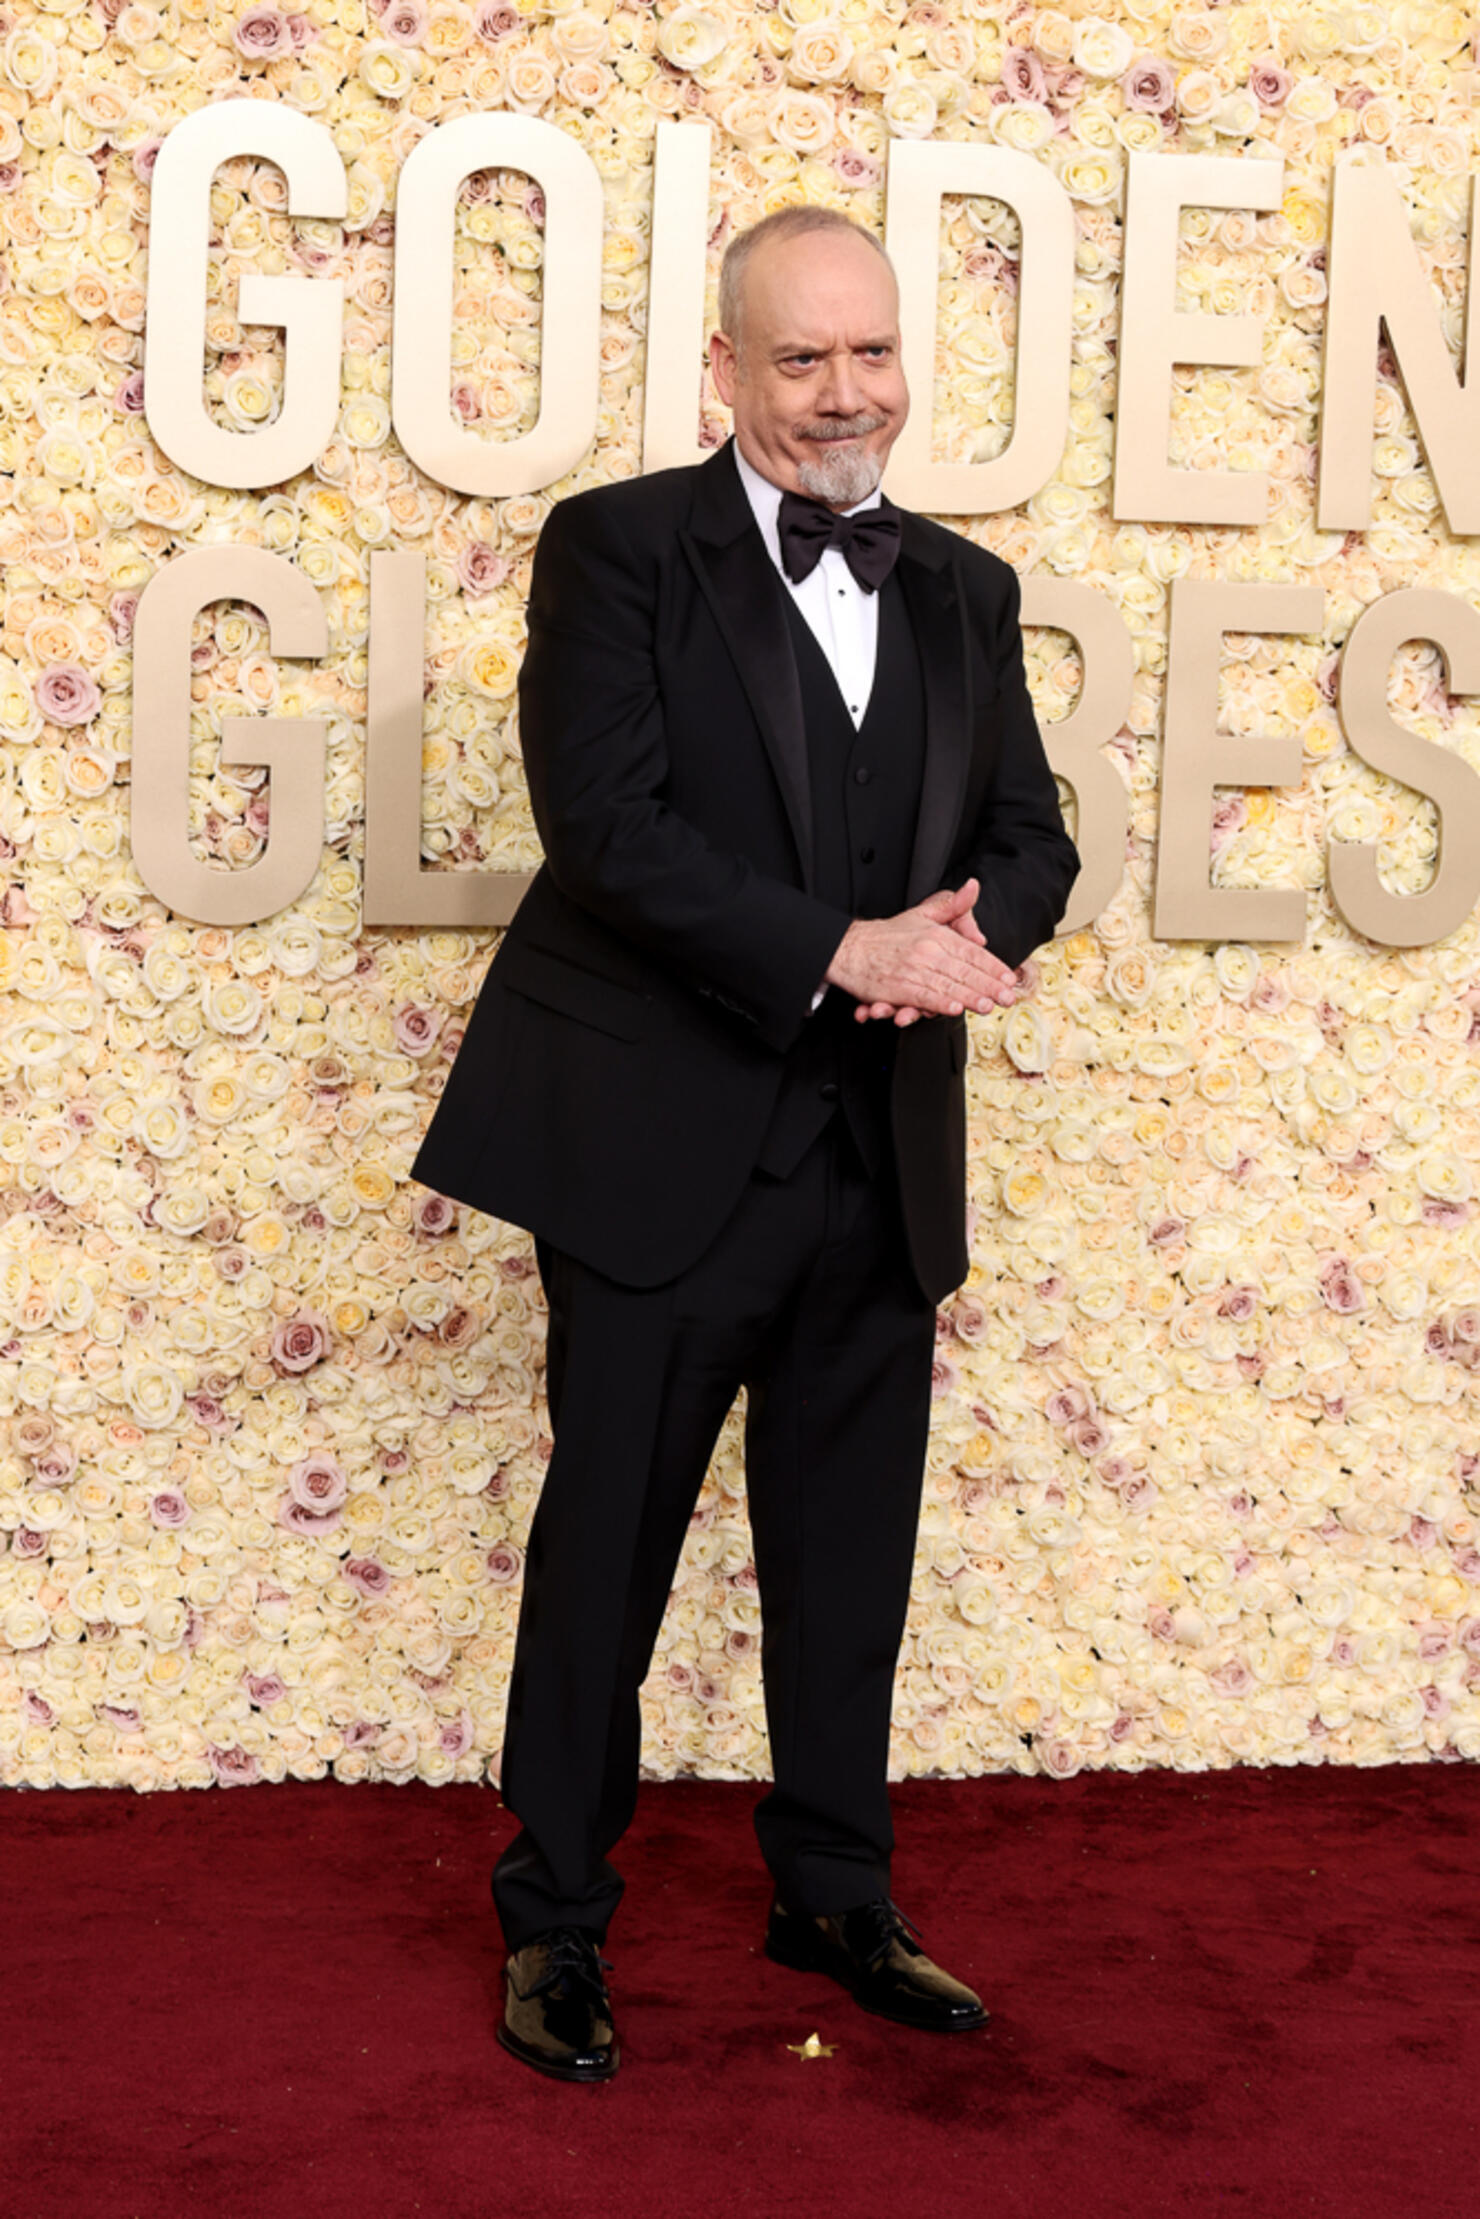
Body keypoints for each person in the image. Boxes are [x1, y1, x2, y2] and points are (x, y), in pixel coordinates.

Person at [411, 205, 1080, 2083]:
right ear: (724, 370)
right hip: (653, 1155)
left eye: (871, 353)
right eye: (801, 360)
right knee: (605, 1549)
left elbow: (1034, 838)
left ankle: (836, 1892)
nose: (845, 391)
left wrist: (963, 943)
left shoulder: (966, 586)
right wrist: (837, 950)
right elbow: (606, 828)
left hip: (878, 1161)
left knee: (850, 1553)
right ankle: (554, 1919)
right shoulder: (617, 548)